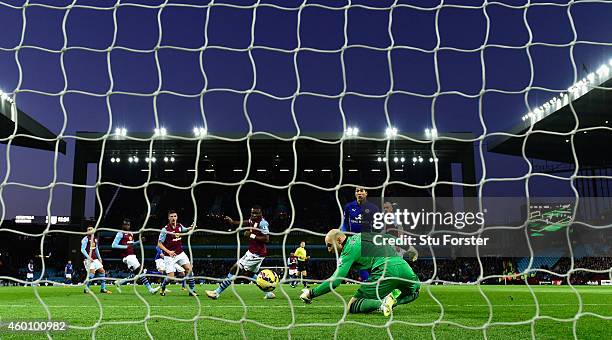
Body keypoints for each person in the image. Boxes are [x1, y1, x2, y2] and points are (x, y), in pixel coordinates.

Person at [299, 229, 420, 316]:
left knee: (352, 305)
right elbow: (388, 237)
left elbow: (335, 281)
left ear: (339, 240)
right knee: (415, 291)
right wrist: (410, 249)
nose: (329, 250)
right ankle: (392, 300)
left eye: (330, 246)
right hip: (404, 266)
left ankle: (382, 303)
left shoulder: (348, 252)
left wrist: (311, 293)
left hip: (385, 269)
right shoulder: (361, 235)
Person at [205, 205, 275, 300]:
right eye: (252, 213)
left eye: (256, 213)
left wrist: (251, 235)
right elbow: (246, 222)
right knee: (250, 274)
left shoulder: (263, 223)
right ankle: (269, 293)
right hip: (255, 253)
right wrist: (234, 222)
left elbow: (266, 239)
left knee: (234, 269)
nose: (253, 215)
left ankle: (216, 293)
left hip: (255, 254)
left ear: (260, 213)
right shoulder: (252, 220)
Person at [340, 186, 380, 281]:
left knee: (373, 263)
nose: (359, 193)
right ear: (355, 194)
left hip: (369, 239)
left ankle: (375, 282)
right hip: (354, 240)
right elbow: (345, 223)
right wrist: (343, 234)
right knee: (360, 264)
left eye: (361, 191)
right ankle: (367, 283)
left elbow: (378, 225)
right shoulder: (348, 207)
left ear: (366, 193)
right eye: (357, 191)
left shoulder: (373, 208)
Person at [111, 218, 159, 294]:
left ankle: (119, 282)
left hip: (132, 255)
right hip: (127, 257)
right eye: (125, 224)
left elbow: (131, 244)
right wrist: (125, 247)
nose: (127, 226)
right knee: (140, 271)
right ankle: (151, 290)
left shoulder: (131, 233)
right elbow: (113, 245)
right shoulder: (120, 233)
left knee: (137, 274)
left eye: (128, 224)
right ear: (123, 225)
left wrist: (139, 241)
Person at [157, 210, 197, 296]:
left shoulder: (179, 226)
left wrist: (191, 227)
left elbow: (185, 229)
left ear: (177, 217)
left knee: (189, 270)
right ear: (168, 218)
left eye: (175, 216)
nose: (173, 218)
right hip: (169, 256)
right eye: (171, 216)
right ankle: (163, 287)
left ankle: (192, 291)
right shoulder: (165, 229)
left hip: (180, 253)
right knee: (171, 277)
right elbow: (159, 244)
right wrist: (168, 251)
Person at [81, 226, 112, 294]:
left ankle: (103, 289)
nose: (89, 230)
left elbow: (96, 249)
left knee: (102, 271)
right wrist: (89, 257)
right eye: (88, 229)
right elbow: (82, 250)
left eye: (91, 229)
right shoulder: (85, 239)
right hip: (88, 260)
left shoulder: (95, 239)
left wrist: (100, 258)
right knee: (92, 274)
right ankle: (86, 289)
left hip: (95, 259)